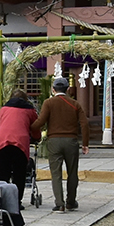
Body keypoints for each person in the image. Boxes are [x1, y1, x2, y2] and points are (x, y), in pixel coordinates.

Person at [30, 77, 88, 211]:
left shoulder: (48, 103)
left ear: (53, 89)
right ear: (68, 89)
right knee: (72, 172)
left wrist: (29, 127)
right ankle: (71, 201)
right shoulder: (75, 104)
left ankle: (59, 203)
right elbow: (84, 124)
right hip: (71, 141)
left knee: (56, 173)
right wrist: (85, 143)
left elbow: (41, 121)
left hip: (54, 140)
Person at [0, 88, 35, 188]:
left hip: (2, 142)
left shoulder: (3, 109)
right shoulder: (29, 110)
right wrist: (36, 137)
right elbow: (35, 128)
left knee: (3, 175)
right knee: (19, 175)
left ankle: (3, 200)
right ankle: (17, 201)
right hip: (20, 143)